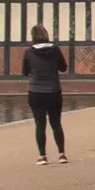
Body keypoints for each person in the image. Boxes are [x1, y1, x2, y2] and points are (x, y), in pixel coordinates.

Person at [23, 24, 69, 164]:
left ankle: (42, 156)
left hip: (36, 92)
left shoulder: (28, 52)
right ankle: (61, 154)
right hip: (54, 91)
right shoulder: (55, 49)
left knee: (40, 124)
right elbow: (63, 67)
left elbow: (25, 72)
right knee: (56, 124)